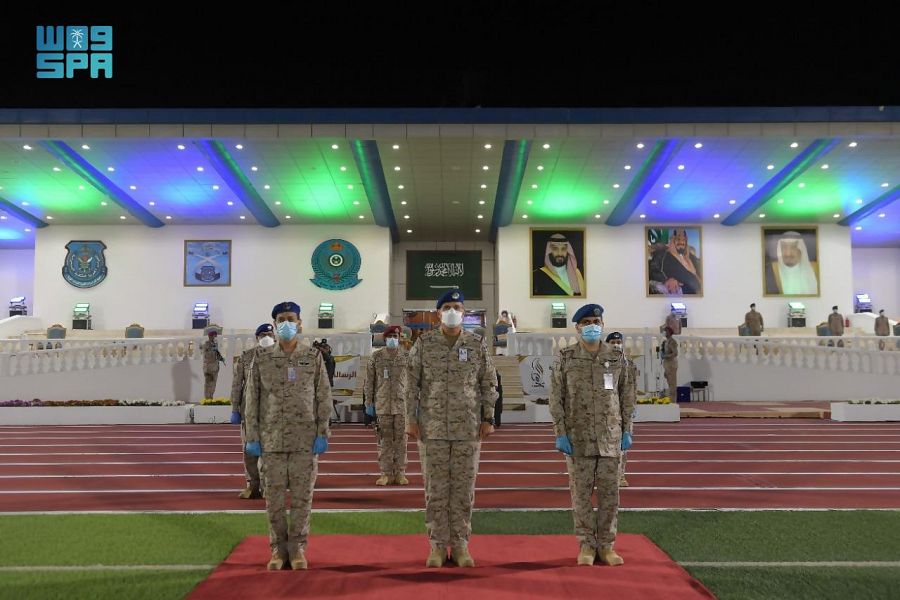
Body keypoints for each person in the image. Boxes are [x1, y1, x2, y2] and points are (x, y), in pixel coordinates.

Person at [406, 289, 498, 568]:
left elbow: (488, 382)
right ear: (438, 313)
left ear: (464, 312)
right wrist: (411, 419)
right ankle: (436, 546)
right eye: (446, 307)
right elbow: (411, 384)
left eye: (457, 307)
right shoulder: (424, 344)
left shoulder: (476, 344)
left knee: (463, 490)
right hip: (431, 428)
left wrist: (488, 417)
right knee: (435, 490)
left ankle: (460, 545)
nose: (452, 311)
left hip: (468, 428)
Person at [243, 301, 332, 571]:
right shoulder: (262, 358)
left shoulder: (312, 356)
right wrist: (252, 437)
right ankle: (277, 550)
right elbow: (252, 399)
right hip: (271, 440)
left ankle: (298, 549)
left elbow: (323, 396)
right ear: (274, 324)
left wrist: (322, 432)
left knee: (303, 499)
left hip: (305, 440)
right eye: (281, 319)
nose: (286, 323)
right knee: (274, 501)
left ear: (300, 323)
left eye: (291, 318)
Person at [549, 305, 636, 567]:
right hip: (578, 439)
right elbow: (556, 398)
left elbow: (627, 396)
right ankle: (586, 545)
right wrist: (560, 433)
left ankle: (607, 546)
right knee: (581, 496)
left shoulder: (617, 357)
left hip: (611, 438)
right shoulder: (566, 357)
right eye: (586, 322)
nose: (592, 326)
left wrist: (627, 430)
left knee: (610, 496)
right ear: (577, 327)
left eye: (596, 321)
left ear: (603, 324)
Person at [230, 323, 276, 500]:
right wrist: (235, 408)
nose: (267, 337)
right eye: (263, 334)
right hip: (249, 412)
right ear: (257, 338)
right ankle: (253, 485)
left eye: (269, 334)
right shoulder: (246, 357)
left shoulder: (283, 357)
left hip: (272, 412)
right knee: (249, 450)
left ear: (275, 336)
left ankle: (268, 486)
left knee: (270, 451)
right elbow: (237, 384)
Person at [364, 325, 410, 486]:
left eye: (395, 337)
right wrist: (369, 403)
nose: (392, 339)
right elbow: (369, 381)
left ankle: (400, 473)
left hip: (402, 405)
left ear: (400, 338)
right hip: (383, 404)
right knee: (384, 440)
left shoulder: (407, 356)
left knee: (401, 441)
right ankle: (385, 473)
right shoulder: (376, 357)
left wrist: (415, 403)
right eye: (390, 337)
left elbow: (414, 382)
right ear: (385, 339)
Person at [605, 332, 634, 488]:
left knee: (623, 446)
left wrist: (632, 406)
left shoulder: (629, 364)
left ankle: (621, 475)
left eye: (619, 342)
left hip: (625, 409)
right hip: (608, 411)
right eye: (613, 342)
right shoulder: (603, 363)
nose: (616, 344)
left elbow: (631, 387)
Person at [648, 228, 702, 295]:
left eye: (684, 240)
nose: (681, 242)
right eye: (678, 239)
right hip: (677, 292)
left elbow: (701, 274)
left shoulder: (692, 258)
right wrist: (667, 280)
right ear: (673, 240)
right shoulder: (662, 254)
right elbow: (652, 270)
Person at [532, 232, 585, 296]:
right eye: (555, 249)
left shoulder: (580, 273)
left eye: (563, 249)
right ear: (549, 251)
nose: (560, 253)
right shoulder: (536, 276)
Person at [202, 326, 225, 399]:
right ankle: (207, 399)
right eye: (214, 336)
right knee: (208, 384)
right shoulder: (206, 344)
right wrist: (212, 350)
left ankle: (211, 397)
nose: (215, 337)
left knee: (213, 384)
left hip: (215, 368)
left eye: (215, 336)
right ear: (210, 336)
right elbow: (206, 356)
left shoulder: (215, 344)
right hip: (209, 369)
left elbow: (216, 355)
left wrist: (220, 358)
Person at [661, 327, 678, 400]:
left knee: (672, 383)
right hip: (667, 364)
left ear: (669, 332)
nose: (664, 332)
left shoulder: (672, 341)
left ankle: (673, 400)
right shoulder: (666, 341)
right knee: (669, 382)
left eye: (666, 331)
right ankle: (671, 399)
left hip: (671, 364)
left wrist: (666, 356)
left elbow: (675, 353)